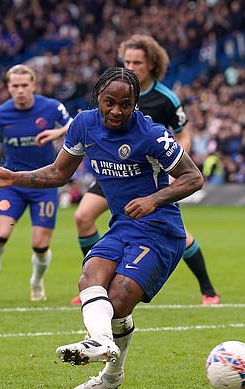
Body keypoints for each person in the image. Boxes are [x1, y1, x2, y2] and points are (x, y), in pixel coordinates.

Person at [0, 67, 204, 389]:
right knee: (89, 278)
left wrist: (153, 199)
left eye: (125, 104)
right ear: (99, 98)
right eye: (109, 102)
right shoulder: (84, 125)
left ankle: (109, 371)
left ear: (135, 104)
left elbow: (193, 178)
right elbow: (59, 173)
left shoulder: (152, 135)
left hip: (159, 231)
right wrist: (14, 178)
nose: (116, 110)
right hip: (122, 226)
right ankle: (102, 347)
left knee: (120, 297)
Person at [71, 34, 220, 306]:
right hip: (110, 171)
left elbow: (182, 134)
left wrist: (174, 163)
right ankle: (96, 283)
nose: (131, 66)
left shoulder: (165, 99)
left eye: (137, 62)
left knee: (177, 234)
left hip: (147, 175)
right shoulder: (116, 89)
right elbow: (91, 120)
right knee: (82, 216)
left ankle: (207, 288)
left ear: (151, 64)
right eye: (127, 61)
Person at [0, 64, 72, 301]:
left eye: (25, 85)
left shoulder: (52, 107)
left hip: (44, 183)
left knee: (40, 246)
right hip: (12, 184)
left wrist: (57, 133)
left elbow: (76, 125)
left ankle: (36, 281)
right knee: (0, 234)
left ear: (33, 85)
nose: (20, 90)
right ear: (8, 87)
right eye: (15, 86)